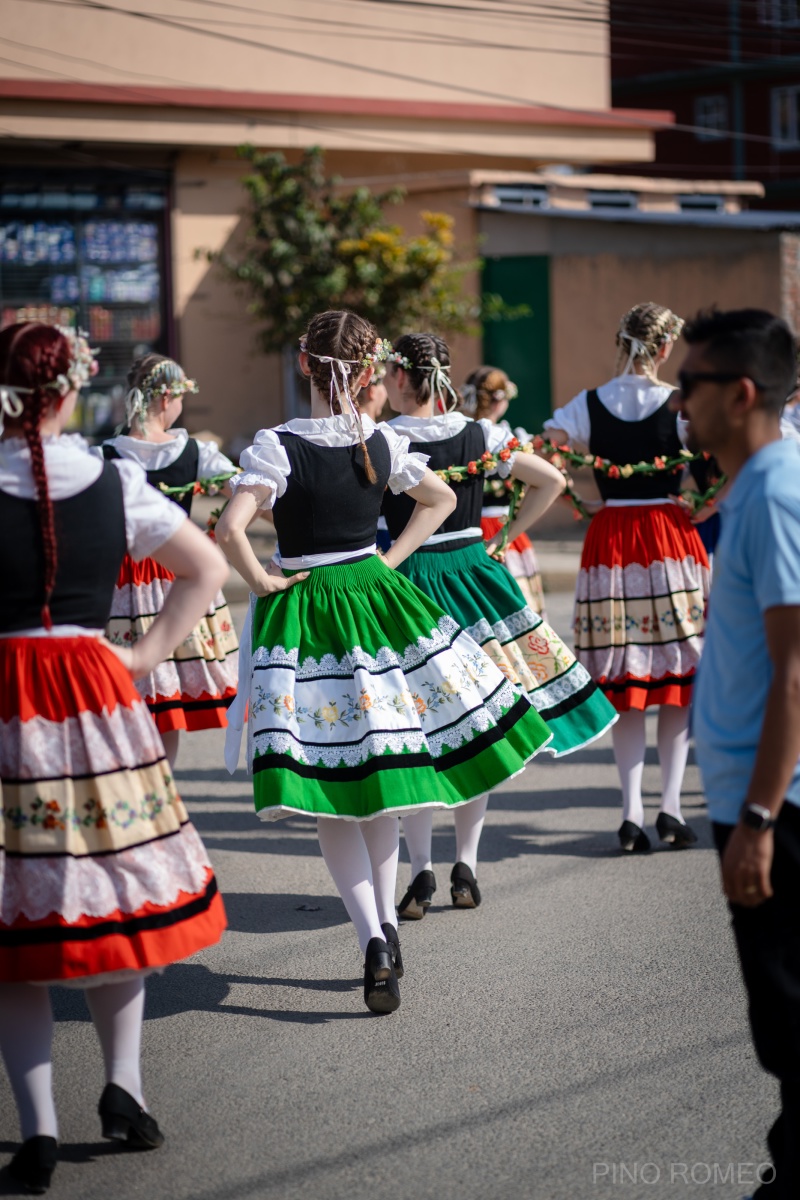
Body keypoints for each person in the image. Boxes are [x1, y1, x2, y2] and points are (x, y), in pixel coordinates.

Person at [216, 311, 551, 1014]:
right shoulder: (376, 440)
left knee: (336, 789)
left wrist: (260, 579)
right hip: (375, 600)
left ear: (306, 365)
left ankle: (373, 934)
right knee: (385, 771)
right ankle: (388, 928)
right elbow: (439, 497)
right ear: (367, 374)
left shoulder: (278, 446)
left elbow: (227, 527)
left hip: (306, 609)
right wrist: (389, 560)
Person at [0, 323, 228, 1193]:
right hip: (96, 694)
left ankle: (38, 1129)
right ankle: (123, 1090)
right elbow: (203, 568)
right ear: (72, 392)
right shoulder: (114, 480)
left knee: (13, 911)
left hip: (9, 694)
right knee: (113, 891)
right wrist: (140, 656)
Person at [382, 333, 618, 918]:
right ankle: (467, 864)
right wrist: (505, 538)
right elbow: (552, 481)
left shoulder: (382, 439)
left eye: (388, 372)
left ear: (403, 378)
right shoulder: (478, 434)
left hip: (406, 581)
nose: (382, 381)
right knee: (477, 724)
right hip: (470, 574)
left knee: (417, 729)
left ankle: (421, 873)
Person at [677, 308, 800, 1200]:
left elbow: (797, 669)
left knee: (794, 1019)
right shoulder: (755, 486)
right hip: (756, 798)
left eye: (692, 387)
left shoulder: (779, 492)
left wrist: (759, 817)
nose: (679, 403)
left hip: (781, 807)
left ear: (742, 393)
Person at [545, 302, 710, 854]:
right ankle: (670, 808)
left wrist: (578, 497)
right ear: (663, 348)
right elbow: (729, 450)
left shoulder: (588, 404)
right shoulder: (677, 404)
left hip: (611, 540)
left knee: (626, 682)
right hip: (666, 536)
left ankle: (631, 813)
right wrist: (704, 502)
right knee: (675, 678)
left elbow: (545, 448)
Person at [99, 355, 239, 767]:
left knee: (127, 694)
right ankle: (162, 781)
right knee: (167, 697)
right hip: (182, 572)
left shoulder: (105, 454)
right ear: (166, 397)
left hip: (120, 581)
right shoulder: (195, 452)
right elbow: (248, 495)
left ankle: (130, 778)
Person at [462, 365, 546, 615]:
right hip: (505, 528)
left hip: (470, 530)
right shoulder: (510, 439)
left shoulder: (460, 434)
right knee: (516, 605)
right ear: (500, 401)